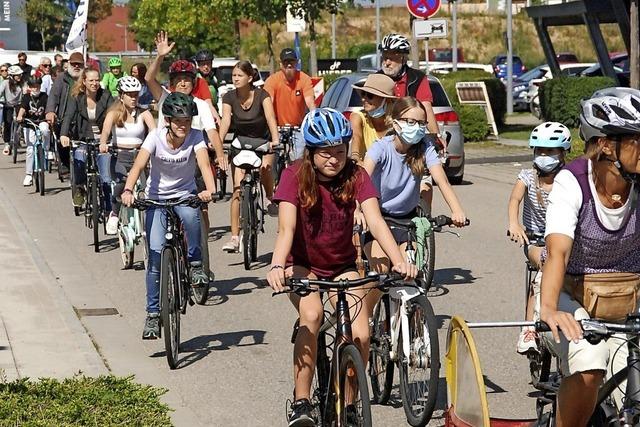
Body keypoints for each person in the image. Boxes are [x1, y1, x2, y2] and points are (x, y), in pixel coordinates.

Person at [266, 108, 416, 427]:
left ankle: (348, 403)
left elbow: (375, 220)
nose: (334, 159)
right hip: (302, 266)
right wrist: (277, 264)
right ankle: (301, 402)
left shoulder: (356, 175)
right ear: (310, 152)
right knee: (312, 316)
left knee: (360, 334)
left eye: (339, 151)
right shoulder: (294, 175)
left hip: (342, 265)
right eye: (325, 153)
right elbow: (286, 230)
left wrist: (399, 260)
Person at [540, 88, 640, 425]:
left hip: (630, 297)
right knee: (590, 363)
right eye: (636, 141)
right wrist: (550, 309)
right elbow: (557, 252)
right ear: (607, 145)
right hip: (572, 293)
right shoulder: (573, 182)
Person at [121, 92, 216, 340]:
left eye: (186, 121)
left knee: (190, 217)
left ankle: (195, 265)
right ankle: (153, 315)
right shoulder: (155, 138)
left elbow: (205, 166)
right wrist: (129, 190)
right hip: (157, 198)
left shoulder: (196, 137)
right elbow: (139, 166)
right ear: (168, 121)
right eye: (178, 122)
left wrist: (209, 189)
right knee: (154, 255)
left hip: (185, 194)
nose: (183, 126)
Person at [361, 96, 466, 314]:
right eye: (410, 122)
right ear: (395, 121)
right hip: (379, 220)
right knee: (382, 273)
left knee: (410, 273)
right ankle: (365, 317)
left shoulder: (425, 146)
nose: (416, 128)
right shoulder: (381, 148)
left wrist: (456, 210)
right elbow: (361, 179)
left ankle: (407, 328)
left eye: (421, 123)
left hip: (408, 222)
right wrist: (356, 210)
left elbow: (441, 179)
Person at [506, 121, 572, 354]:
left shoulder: (570, 179)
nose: (544, 156)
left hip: (566, 241)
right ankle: (527, 330)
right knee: (546, 266)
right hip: (536, 242)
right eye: (540, 151)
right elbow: (515, 200)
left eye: (550, 151)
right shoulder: (527, 176)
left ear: (563, 152)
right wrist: (514, 223)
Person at [218, 60, 279, 253]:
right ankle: (235, 238)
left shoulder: (262, 95)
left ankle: (269, 198)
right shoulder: (228, 97)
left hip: (263, 141)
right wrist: (218, 142)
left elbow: (270, 118)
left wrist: (275, 139)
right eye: (234, 76)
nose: (235, 79)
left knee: (265, 168)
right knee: (237, 190)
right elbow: (226, 120)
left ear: (250, 77)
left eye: (239, 76)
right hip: (241, 142)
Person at [99, 76, 156, 235]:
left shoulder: (143, 113)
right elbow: (105, 131)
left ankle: (150, 220)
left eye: (136, 94)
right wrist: (103, 143)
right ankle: (115, 214)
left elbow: (154, 132)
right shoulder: (113, 113)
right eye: (129, 94)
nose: (133, 98)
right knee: (120, 185)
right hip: (120, 155)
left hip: (140, 155)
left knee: (147, 188)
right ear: (121, 95)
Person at [59, 68, 114, 209]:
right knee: (79, 157)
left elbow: (114, 115)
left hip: (103, 139)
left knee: (106, 177)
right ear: (84, 81)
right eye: (91, 80)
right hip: (83, 138)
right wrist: (64, 134)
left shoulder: (106, 96)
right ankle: (80, 188)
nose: (95, 83)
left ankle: (109, 210)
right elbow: (68, 116)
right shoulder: (77, 97)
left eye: (97, 80)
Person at [263, 48, 316, 159]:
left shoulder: (304, 79)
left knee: (299, 159)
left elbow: (310, 102)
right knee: (269, 161)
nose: (289, 65)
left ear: (297, 63)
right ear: (281, 64)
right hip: (276, 127)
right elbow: (268, 102)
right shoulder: (272, 80)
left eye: (291, 62)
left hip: (297, 127)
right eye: (286, 62)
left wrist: (314, 118)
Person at [46, 51, 85, 173]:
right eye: (74, 64)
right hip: (64, 117)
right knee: (62, 141)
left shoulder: (87, 78)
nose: (77, 66)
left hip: (83, 118)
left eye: (79, 64)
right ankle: (65, 163)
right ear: (69, 64)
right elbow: (53, 95)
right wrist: (50, 111)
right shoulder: (62, 78)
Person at [349, 73, 396, 163]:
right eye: (363, 94)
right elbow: (356, 136)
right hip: (367, 173)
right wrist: (355, 155)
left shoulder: (397, 123)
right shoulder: (358, 116)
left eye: (370, 95)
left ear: (386, 100)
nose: (364, 99)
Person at [15, 77, 50, 186]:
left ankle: (47, 150)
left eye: (38, 86)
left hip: (42, 121)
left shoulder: (45, 96)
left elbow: (49, 108)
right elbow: (22, 108)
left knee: (45, 130)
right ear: (30, 87)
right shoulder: (26, 97)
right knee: (30, 149)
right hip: (29, 123)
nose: (36, 88)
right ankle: (29, 175)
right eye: (33, 86)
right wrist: (20, 116)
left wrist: (50, 116)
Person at [0, 65, 24, 153]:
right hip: (8, 105)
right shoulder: (5, 83)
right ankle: (7, 143)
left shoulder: (22, 83)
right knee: (8, 123)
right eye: (17, 75)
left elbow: (25, 93)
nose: (20, 77)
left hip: (19, 105)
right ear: (12, 76)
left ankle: (18, 137)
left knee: (21, 122)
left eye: (20, 75)